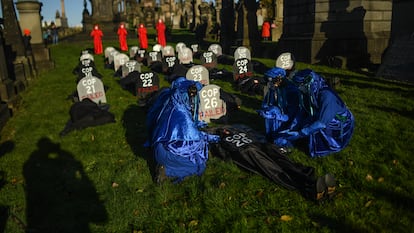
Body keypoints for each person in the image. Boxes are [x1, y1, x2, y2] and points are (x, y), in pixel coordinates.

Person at [208, 124, 337, 203]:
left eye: (226, 130)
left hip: (258, 147)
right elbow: (223, 154)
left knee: (282, 161)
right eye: (223, 131)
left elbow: (254, 136)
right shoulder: (219, 141)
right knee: (274, 169)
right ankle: (307, 189)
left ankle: (309, 180)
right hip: (249, 153)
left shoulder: (239, 132)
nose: (225, 131)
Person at [145, 77, 219, 183]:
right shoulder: (181, 114)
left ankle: (166, 166)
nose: (193, 100)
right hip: (166, 153)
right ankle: (167, 171)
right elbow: (194, 137)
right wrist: (215, 137)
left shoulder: (169, 102)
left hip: (158, 146)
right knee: (198, 165)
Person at [274, 69, 355, 157]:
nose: (299, 88)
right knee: (305, 123)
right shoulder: (309, 92)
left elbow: (322, 122)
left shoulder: (327, 96)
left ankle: (322, 144)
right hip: (321, 115)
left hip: (336, 121)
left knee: (314, 128)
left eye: (300, 85)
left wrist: (301, 133)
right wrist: (292, 128)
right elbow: (302, 112)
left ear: (308, 83)